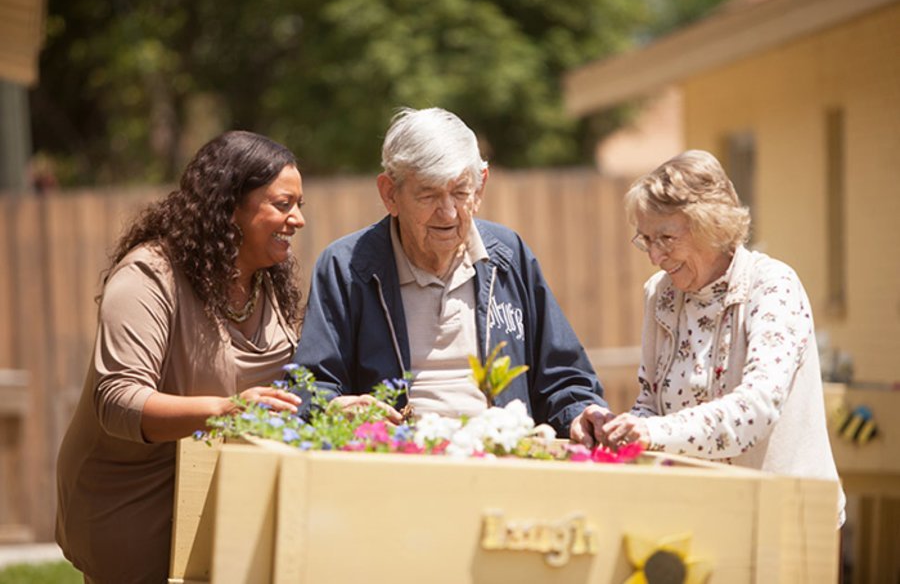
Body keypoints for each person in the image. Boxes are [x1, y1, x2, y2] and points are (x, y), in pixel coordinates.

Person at [56, 131, 306, 583]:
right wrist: (227, 411)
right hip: (135, 507)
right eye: (283, 204)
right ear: (230, 206)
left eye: (299, 205)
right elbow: (118, 401)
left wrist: (330, 406)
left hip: (223, 498)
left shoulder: (269, 284)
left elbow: (282, 394)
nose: (298, 219)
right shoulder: (150, 276)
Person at [292, 107, 609, 434]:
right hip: (399, 465)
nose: (448, 213)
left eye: (460, 192)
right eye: (428, 194)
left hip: (502, 459)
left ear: (481, 186)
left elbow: (563, 378)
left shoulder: (508, 256)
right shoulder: (347, 268)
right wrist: (333, 408)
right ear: (390, 194)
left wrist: (580, 414)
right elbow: (311, 385)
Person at [570, 150, 844, 522]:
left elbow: (756, 409)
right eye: (646, 240)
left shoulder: (773, 286)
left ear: (711, 225)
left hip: (788, 518)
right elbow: (652, 404)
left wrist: (648, 431)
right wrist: (614, 427)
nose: (654, 255)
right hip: (701, 515)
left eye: (666, 237)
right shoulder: (661, 294)